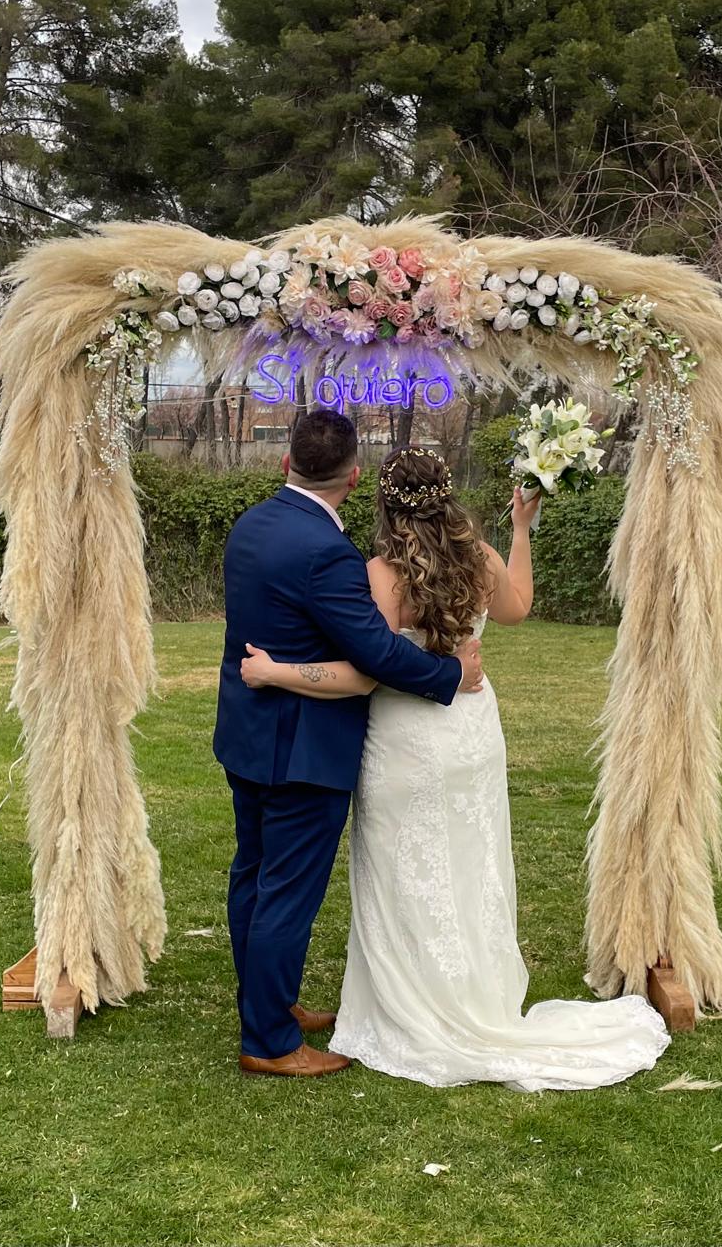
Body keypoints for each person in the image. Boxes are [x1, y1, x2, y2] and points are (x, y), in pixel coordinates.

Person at [241, 445, 671, 1091]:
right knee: (471, 864)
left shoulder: (381, 575)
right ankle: (473, 995)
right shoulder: (478, 557)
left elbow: (370, 672)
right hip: (471, 737)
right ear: (447, 496)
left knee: (402, 870)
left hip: (406, 740)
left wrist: (278, 670)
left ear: (382, 502)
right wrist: (521, 528)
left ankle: (408, 1004)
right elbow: (519, 605)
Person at [215, 410, 484, 1078]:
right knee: (286, 893)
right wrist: (453, 674)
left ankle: (267, 1006)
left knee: (252, 876)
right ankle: (271, 1042)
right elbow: (378, 655)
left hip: (247, 732)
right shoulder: (325, 552)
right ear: (353, 476)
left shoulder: (252, 526)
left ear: (286, 465)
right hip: (302, 749)